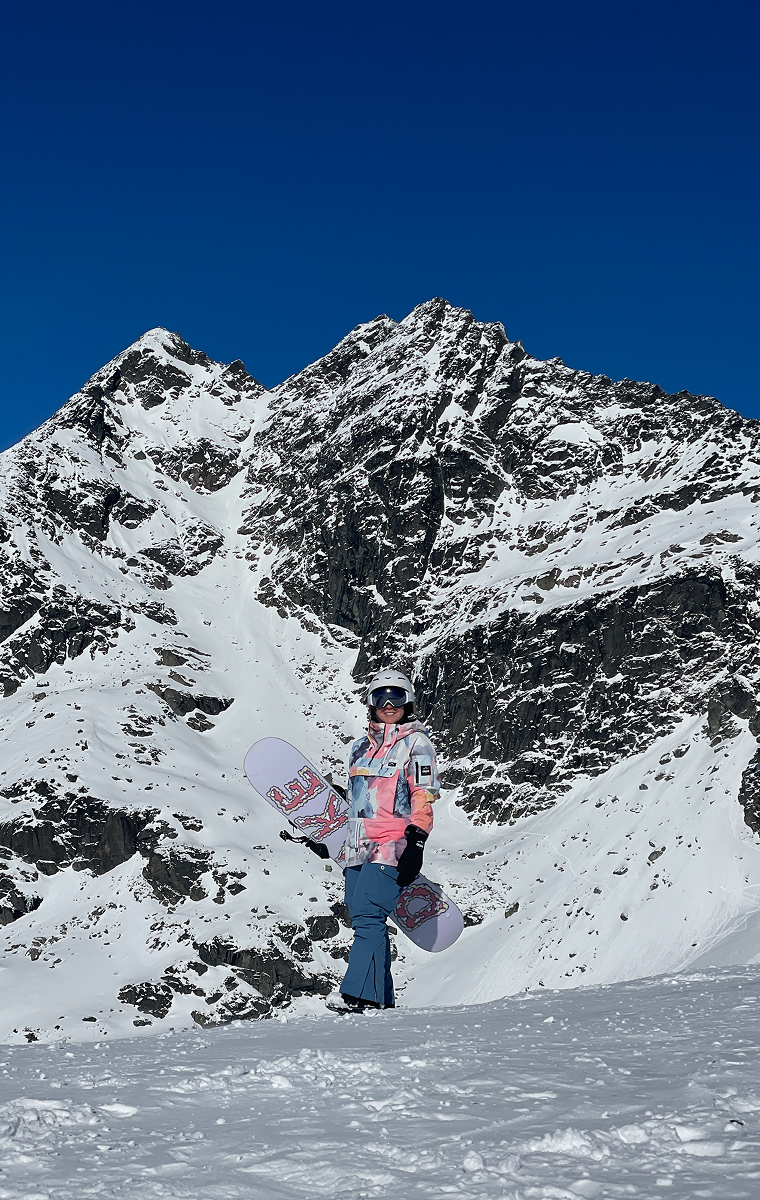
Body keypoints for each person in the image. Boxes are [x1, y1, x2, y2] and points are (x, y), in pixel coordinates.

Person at [324, 669, 440, 1014]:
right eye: (380, 697)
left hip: (393, 841)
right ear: (370, 703)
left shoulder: (417, 743)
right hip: (357, 844)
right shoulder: (359, 748)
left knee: (368, 914)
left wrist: (417, 841)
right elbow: (356, 800)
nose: (389, 705)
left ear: (409, 702)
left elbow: (424, 793)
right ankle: (381, 1001)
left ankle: (357, 995)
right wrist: (333, 839)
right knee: (362, 916)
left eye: (397, 697)